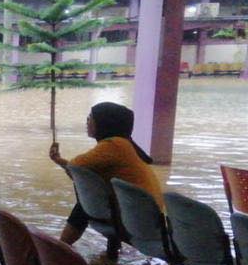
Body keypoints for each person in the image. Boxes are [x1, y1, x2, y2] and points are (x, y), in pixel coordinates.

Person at [48, 101, 163, 245]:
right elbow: (79, 173)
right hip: (142, 213)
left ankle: (61, 247)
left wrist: (61, 161)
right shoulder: (122, 144)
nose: (87, 120)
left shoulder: (115, 145)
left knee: (85, 201)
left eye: (91, 117)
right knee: (92, 195)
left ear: (104, 122)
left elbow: (76, 167)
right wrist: (58, 160)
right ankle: (73, 248)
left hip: (138, 217)